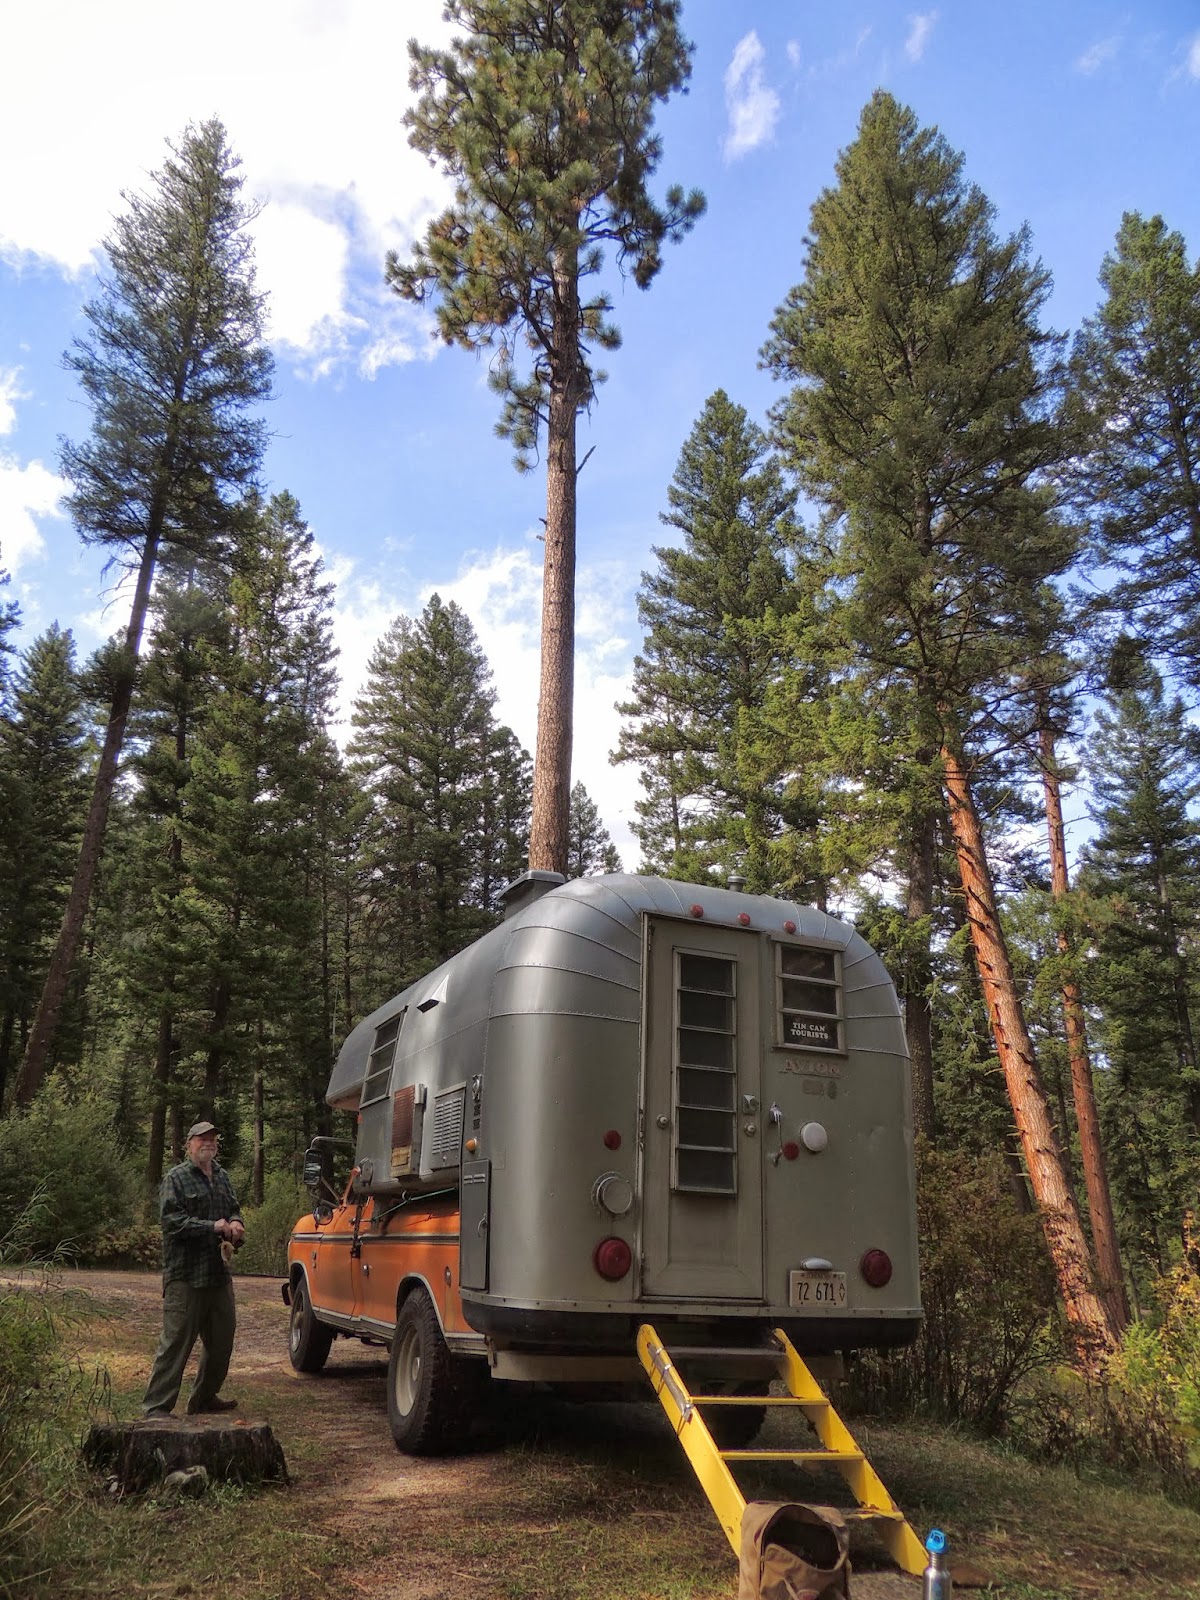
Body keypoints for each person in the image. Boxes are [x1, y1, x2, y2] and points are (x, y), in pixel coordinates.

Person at [142, 1120, 246, 1417]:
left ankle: (203, 1399)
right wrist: (211, 1227)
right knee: (175, 1344)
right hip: (186, 1275)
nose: (208, 1143)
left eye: (212, 1138)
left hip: (218, 1275)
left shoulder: (223, 1177)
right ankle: (156, 1408)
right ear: (189, 1144)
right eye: (202, 1139)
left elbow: (233, 1208)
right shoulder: (176, 1178)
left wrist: (236, 1222)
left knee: (222, 1343)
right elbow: (171, 1222)